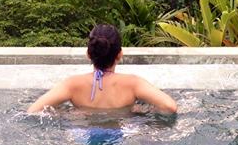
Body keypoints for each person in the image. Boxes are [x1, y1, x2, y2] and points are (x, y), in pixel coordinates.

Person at [27, 24, 178, 114]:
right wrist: (140, 110)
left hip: (82, 134)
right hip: (121, 133)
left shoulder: (72, 85)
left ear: (88, 54)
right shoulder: (133, 84)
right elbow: (170, 107)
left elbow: (33, 111)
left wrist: (68, 114)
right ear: (120, 54)